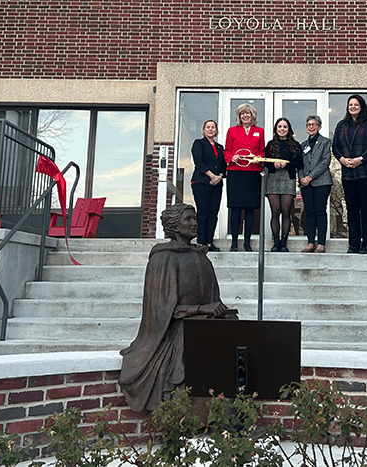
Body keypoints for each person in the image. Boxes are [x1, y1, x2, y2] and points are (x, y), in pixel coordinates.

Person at [119, 203, 237, 412]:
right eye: (188, 219)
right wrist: (201, 309)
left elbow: (214, 298)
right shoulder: (163, 258)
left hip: (204, 324)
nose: (194, 223)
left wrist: (220, 310)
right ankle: (196, 418)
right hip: (175, 330)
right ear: (174, 225)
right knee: (200, 341)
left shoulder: (202, 257)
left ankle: (231, 414)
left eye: (195, 218)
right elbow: (160, 311)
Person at [332, 95, 367, 254]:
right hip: (348, 172)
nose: (353, 107)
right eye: (350, 104)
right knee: (352, 209)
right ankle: (353, 244)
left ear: (361, 106)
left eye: (356, 104)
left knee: (365, 207)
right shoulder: (341, 125)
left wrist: (360, 159)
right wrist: (342, 160)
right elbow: (335, 146)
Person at [224, 104, 265, 251]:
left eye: (248, 113)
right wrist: (231, 157)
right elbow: (227, 150)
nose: (245, 116)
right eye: (242, 114)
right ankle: (234, 242)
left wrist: (259, 157)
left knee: (250, 209)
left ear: (253, 116)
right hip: (236, 172)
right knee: (235, 209)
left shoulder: (259, 131)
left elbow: (262, 151)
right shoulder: (232, 131)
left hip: (252, 172)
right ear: (238, 116)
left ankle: (247, 242)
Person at [264, 117, 304, 252]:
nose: (282, 129)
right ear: (276, 129)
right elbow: (264, 161)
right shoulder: (270, 144)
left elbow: (300, 163)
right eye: (279, 126)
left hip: (289, 178)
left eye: (285, 127)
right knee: (275, 211)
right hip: (273, 178)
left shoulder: (295, 144)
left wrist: (287, 164)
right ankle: (276, 242)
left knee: (286, 212)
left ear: (289, 129)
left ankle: (284, 242)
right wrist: (273, 164)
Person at [298, 115, 333, 253]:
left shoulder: (325, 142)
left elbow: (325, 162)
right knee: (309, 212)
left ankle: (321, 244)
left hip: (321, 182)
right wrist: (301, 178)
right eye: (308, 125)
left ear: (319, 126)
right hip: (305, 184)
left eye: (313, 124)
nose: (310, 127)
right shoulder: (303, 145)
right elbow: (300, 164)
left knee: (320, 211)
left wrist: (310, 177)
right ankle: (311, 242)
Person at [190, 120, 226, 252]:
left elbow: (223, 164)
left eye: (213, 127)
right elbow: (199, 162)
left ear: (216, 131)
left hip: (217, 184)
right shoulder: (198, 144)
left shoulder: (220, 148)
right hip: (201, 183)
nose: (210, 129)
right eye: (208, 127)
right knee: (203, 213)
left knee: (213, 213)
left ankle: (209, 242)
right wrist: (212, 176)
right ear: (203, 130)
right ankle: (201, 243)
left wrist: (220, 176)